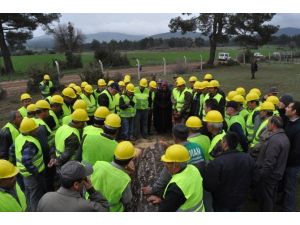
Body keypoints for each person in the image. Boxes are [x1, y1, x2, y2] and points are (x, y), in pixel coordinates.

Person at [203, 132, 255, 211]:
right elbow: (255, 177)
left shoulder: (216, 163)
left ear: (225, 143)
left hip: (222, 203)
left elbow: (208, 186)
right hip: (241, 199)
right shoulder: (248, 158)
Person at [146, 144, 205, 212]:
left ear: (176, 165)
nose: (165, 165)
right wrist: (165, 200)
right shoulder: (193, 169)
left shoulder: (176, 187)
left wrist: (165, 203)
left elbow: (165, 210)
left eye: (168, 163)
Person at [37, 161, 108, 212]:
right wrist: (92, 191)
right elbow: (105, 208)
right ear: (76, 185)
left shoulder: (45, 198)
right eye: (85, 178)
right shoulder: (85, 206)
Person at [254, 116, 290, 211]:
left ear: (273, 124)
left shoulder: (274, 140)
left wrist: (262, 174)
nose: (267, 125)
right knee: (271, 196)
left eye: (268, 123)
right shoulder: (284, 137)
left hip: (269, 176)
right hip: (277, 174)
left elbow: (269, 162)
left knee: (266, 199)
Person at [91, 141, 136, 212]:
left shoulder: (98, 164)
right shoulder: (125, 179)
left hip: (90, 204)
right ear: (130, 160)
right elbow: (127, 200)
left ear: (114, 155)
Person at [15, 118, 47, 211]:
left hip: (25, 174)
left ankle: (28, 210)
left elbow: (12, 151)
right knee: (35, 197)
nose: (37, 130)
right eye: (35, 129)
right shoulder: (29, 143)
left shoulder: (19, 137)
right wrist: (36, 173)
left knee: (29, 194)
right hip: (32, 175)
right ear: (30, 131)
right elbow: (26, 161)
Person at [282, 101, 300, 211]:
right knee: (286, 186)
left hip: (292, 164)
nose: (286, 108)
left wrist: (285, 160)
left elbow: (297, 151)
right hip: (286, 162)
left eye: (288, 107)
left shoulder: (298, 128)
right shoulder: (290, 122)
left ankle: (289, 210)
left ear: (294, 112)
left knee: (290, 188)